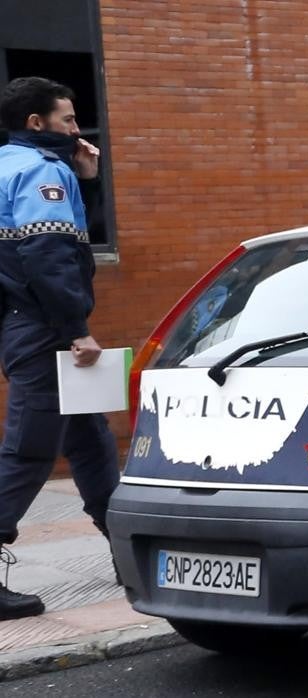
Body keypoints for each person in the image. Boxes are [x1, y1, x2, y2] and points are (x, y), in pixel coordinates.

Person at [0, 76, 118, 620]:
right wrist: (76, 328)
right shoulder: (40, 171)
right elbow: (48, 256)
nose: (77, 128)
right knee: (29, 452)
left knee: (92, 443)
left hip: (24, 323)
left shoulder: (11, 166)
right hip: (47, 329)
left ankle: (130, 550)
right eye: (68, 119)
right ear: (36, 123)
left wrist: (85, 178)